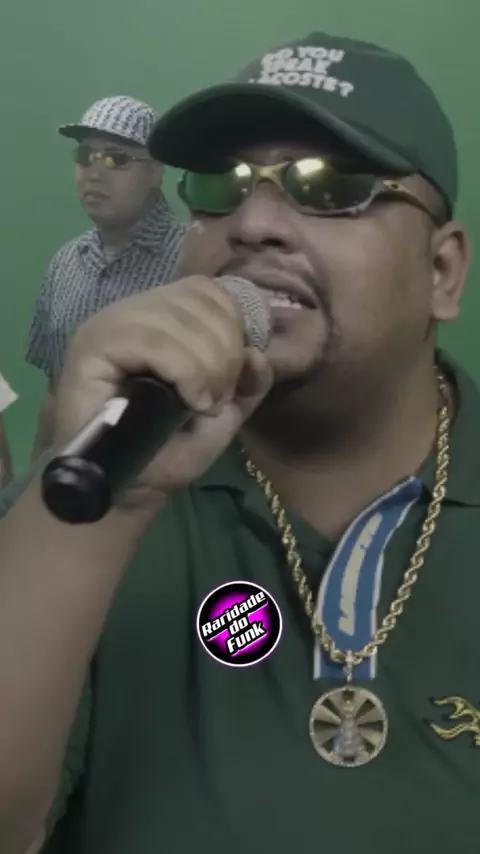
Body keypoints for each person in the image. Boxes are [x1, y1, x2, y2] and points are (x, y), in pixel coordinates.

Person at [0, 30, 477, 854]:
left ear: (442, 271)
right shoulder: (88, 488)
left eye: (330, 187)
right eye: (222, 187)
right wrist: (103, 514)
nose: (253, 222)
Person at [26, 95, 187, 458]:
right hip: (69, 477)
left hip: (165, 482)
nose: (94, 173)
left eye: (117, 159)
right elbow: (54, 393)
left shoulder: (193, 261)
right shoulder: (65, 263)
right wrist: (35, 480)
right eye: (85, 156)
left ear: (155, 172)